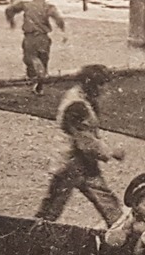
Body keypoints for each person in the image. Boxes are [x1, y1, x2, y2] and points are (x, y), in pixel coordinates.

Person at [36, 65, 124, 225]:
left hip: (79, 162)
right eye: (101, 84)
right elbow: (85, 142)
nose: (105, 90)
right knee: (49, 213)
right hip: (72, 163)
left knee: (109, 205)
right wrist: (111, 152)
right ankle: (28, 242)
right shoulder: (77, 106)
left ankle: (122, 237)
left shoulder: (80, 97)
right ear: (92, 84)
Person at [4, 0, 67, 94]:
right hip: (43, 38)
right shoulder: (49, 7)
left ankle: (33, 80)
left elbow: (9, 9)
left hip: (30, 37)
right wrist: (63, 32)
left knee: (30, 59)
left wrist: (11, 22)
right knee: (43, 59)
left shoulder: (25, 5)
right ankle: (40, 84)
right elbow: (59, 19)